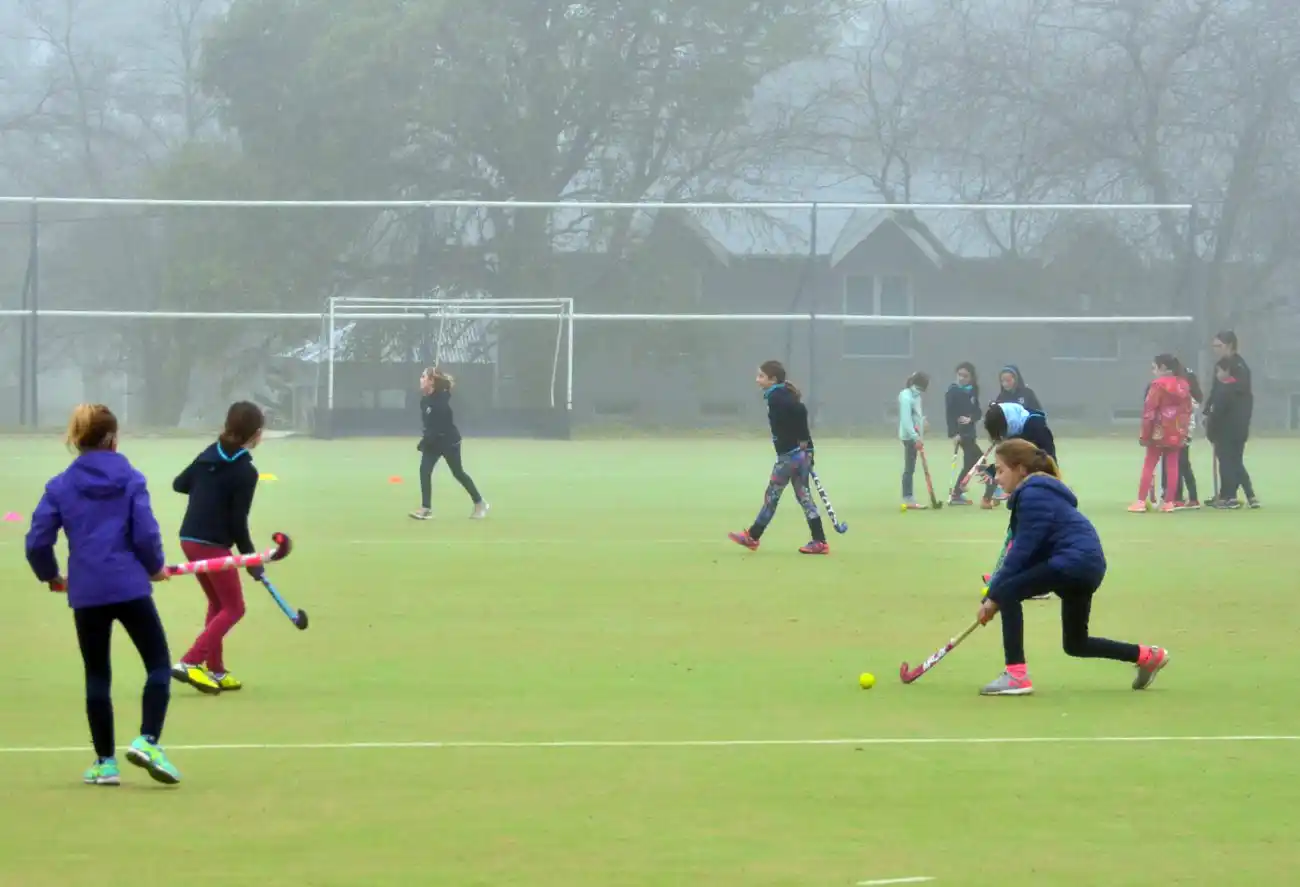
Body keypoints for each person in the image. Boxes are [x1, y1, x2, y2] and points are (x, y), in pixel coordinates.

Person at [24, 404, 181, 786]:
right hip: (130, 586)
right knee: (158, 663)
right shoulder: (131, 478)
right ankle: (148, 740)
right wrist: (154, 566)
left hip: (87, 590)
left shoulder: (60, 485)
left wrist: (50, 576)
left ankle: (105, 763)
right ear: (112, 439)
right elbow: (145, 533)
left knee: (97, 674)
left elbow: (37, 541)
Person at [975, 439, 1169, 696]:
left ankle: (1016, 675)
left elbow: (1020, 553)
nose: (996, 478)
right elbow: (1033, 552)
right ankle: (1147, 656)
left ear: (1020, 469)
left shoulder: (1033, 494)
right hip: (1086, 566)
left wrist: (994, 596)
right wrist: (996, 593)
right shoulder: (1039, 493)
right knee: (1076, 643)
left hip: (1073, 561)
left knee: (1008, 591)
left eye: (1000, 470)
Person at [171, 401, 266, 695]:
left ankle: (215, 669)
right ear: (256, 434)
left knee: (218, 603)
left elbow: (179, 484)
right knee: (235, 608)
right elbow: (239, 523)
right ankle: (190, 662)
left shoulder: (208, 455)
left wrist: (207, 487)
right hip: (212, 545)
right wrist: (251, 558)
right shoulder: (245, 472)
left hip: (189, 540)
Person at [728, 360, 828, 554]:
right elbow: (799, 412)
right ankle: (820, 541)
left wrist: (803, 442)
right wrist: (808, 449)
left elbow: (800, 411)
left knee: (772, 497)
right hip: (799, 456)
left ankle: (753, 537)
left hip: (790, 458)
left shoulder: (777, 396)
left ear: (772, 379)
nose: (757, 380)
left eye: (761, 376)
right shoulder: (781, 394)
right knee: (804, 498)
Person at [409, 367, 489, 520]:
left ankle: (480, 503)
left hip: (448, 442)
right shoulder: (425, 400)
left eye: (423, 377)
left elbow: (439, 426)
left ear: (431, 381)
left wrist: (424, 442)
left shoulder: (442, 401)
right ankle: (426, 508)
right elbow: (429, 426)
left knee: (458, 473)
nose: (420, 379)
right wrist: (426, 441)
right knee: (424, 471)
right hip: (433, 442)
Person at [1130, 354, 1192, 513]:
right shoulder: (1184, 385)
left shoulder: (1157, 385)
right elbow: (1187, 409)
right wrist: (1184, 431)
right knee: (1172, 465)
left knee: (1149, 464)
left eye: (1154, 368)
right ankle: (1169, 502)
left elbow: (1149, 410)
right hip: (1177, 429)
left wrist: (1145, 434)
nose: (1153, 371)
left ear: (1162, 368)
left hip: (1158, 430)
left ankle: (1141, 501)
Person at [1204, 331, 1258, 508]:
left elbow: (1235, 394)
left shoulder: (1239, 368)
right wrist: (1207, 410)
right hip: (1225, 421)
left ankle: (1230, 497)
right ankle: (1240, 495)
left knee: (1229, 459)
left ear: (1230, 346)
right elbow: (1215, 391)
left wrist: (1214, 417)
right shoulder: (1221, 366)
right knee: (1231, 460)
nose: (1215, 350)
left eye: (1218, 346)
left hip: (1233, 423)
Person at [945, 362, 983, 505]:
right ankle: (994, 486)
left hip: (970, 432)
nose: (961, 378)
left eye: (965, 376)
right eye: (959, 375)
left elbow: (978, 412)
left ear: (971, 377)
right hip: (961, 434)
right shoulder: (952, 391)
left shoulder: (973, 390)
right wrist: (953, 434)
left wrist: (971, 418)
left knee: (970, 463)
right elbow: (949, 414)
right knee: (980, 458)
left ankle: (957, 493)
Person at [898, 371, 930, 510]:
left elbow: (916, 416)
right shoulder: (906, 396)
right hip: (909, 437)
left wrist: (923, 423)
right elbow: (906, 420)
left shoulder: (916, 396)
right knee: (909, 468)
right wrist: (915, 437)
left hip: (915, 436)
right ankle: (908, 498)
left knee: (911, 467)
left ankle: (909, 497)